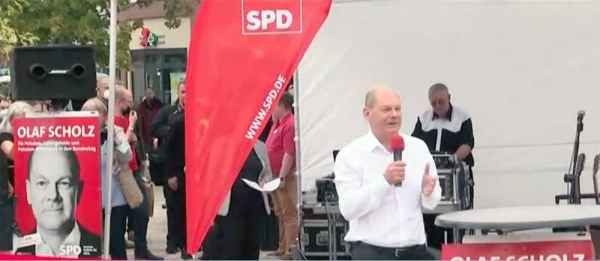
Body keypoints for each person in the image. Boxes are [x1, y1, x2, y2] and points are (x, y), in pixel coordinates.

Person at [334, 86, 442, 260]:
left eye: (397, 109)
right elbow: (348, 209)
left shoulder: (417, 148)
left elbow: (432, 203)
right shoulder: (351, 154)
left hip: (415, 251)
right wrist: (384, 181)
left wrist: (429, 192)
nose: (394, 114)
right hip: (373, 253)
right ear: (366, 113)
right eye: (386, 109)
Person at [411, 83, 475, 249]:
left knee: (457, 222)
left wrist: (453, 159)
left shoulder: (462, 117)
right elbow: (414, 144)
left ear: (449, 98)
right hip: (431, 178)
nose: (437, 106)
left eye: (441, 102)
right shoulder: (424, 118)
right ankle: (434, 252)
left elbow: (467, 144)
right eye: (433, 103)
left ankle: (457, 252)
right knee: (431, 222)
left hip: (455, 177)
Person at [13, 141, 102, 258]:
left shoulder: (100, 247)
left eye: (64, 183)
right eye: (42, 183)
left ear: (78, 191)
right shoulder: (17, 250)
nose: (53, 195)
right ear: (29, 191)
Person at [202, 139, 274, 260]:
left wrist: (264, 182)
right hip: (231, 207)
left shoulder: (260, 146)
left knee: (252, 248)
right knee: (231, 249)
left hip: (256, 205)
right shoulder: (220, 145)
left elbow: (267, 174)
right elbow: (212, 176)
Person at [113, 85, 163, 260]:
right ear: (120, 102)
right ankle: (138, 248)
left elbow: (133, 142)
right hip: (124, 173)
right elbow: (120, 147)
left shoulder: (127, 118)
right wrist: (131, 127)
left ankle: (140, 247)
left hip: (133, 168)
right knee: (139, 208)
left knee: (142, 209)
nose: (132, 104)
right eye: (129, 100)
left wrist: (141, 157)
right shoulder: (113, 121)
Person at [81, 98, 131, 259]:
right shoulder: (79, 132)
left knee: (116, 242)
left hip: (113, 198)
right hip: (88, 199)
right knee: (90, 245)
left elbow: (127, 155)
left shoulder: (114, 131)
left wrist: (114, 139)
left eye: (98, 117)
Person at [150, 82, 185, 254]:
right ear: (178, 93)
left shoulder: (196, 112)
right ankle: (172, 242)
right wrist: (172, 130)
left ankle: (187, 243)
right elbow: (154, 128)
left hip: (192, 169)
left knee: (188, 208)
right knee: (173, 206)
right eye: (183, 92)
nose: (186, 95)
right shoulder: (167, 112)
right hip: (173, 166)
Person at [265, 92, 298, 260]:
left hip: (284, 175)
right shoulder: (277, 124)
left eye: (274, 105)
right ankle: (282, 246)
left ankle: (290, 249)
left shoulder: (290, 124)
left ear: (283, 107)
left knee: (288, 212)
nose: (271, 108)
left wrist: (283, 176)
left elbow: (289, 153)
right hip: (274, 174)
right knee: (279, 212)